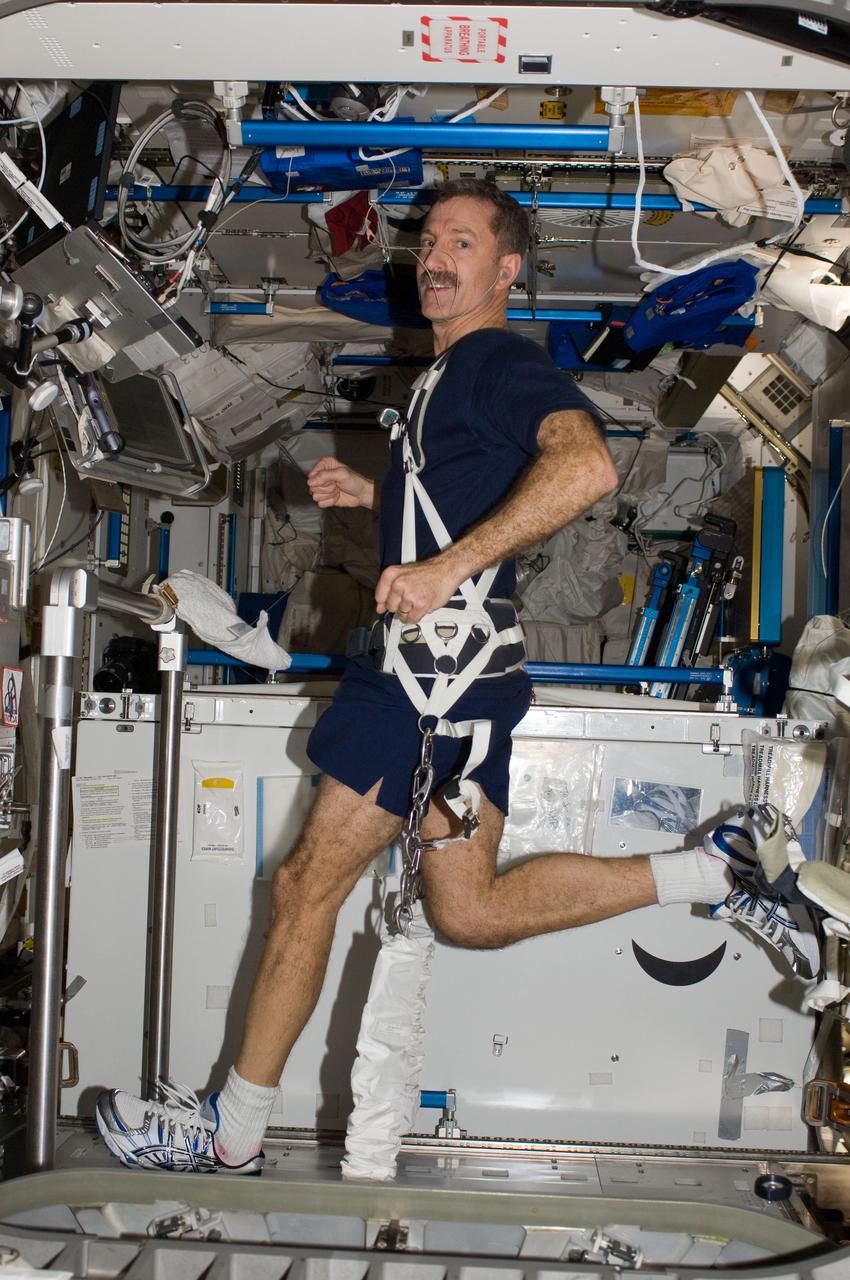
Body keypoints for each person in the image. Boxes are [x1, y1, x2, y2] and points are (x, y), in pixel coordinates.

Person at [95, 179, 822, 1175]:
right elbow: (464, 494)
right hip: (453, 682)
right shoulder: (439, 380)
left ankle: (231, 1133)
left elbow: (586, 467)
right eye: (429, 240)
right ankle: (717, 869)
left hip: (428, 685)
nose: (434, 257)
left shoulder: (491, 362)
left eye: (463, 243)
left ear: (507, 269)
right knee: (466, 913)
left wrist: (444, 568)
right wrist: (376, 495)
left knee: (306, 885)